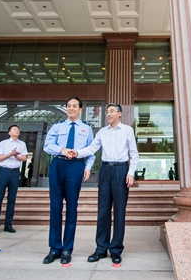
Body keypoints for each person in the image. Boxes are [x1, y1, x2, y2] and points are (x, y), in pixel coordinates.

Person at [73, 103, 139, 265]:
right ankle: (101, 248)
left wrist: (130, 173)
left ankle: (116, 249)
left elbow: (134, 154)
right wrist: (76, 153)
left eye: (112, 111)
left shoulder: (127, 131)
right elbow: (91, 149)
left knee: (119, 211)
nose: (108, 114)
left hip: (121, 170)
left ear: (119, 114)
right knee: (103, 211)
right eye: (107, 112)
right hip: (105, 171)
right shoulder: (102, 132)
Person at [42, 97, 94, 265]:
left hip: (76, 167)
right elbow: (47, 145)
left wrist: (88, 167)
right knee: (55, 206)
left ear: (80, 109)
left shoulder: (86, 128)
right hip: (58, 164)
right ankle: (54, 248)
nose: (71, 108)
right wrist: (61, 149)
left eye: (74, 106)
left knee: (72, 207)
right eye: (68, 106)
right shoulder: (57, 126)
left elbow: (91, 150)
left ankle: (67, 249)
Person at [0, 125, 27, 235]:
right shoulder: (3, 143)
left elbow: (24, 158)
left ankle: (8, 224)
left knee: (12, 199)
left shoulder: (22, 144)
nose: (17, 131)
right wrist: (11, 154)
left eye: (18, 129)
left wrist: (16, 156)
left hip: (15, 172)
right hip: (4, 171)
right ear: (9, 132)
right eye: (14, 129)